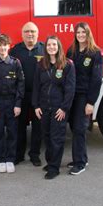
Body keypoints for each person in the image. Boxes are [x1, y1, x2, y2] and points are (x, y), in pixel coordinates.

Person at [32, 36, 75, 180]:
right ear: (46, 48)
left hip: (58, 109)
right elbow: (36, 87)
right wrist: (36, 105)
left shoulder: (67, 64)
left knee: (57, 138)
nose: (51, 47)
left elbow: (70, 89)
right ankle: (51, 162)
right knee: (47, 136)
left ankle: (54, 168)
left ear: (59, 47)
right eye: (49, 45)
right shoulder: (41, 65)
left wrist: (64, 108)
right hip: (44, 107)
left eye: (54, 45)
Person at [66, 22, 103, 175]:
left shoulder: (95, 53)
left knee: (80, 128)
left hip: (84, 96)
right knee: (74, 127)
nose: (80, 35)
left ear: (88, 34)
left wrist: (91, 102)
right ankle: (81, 157)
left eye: (83, 32)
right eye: (78, 32)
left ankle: (80, 163)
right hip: (71, 95)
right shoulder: (71, 51)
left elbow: (96, 79)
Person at [9, 21, 45, 166]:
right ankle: (19, 154)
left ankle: (35, 154)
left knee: (38, 126)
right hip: (21, 95)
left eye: (33, 31)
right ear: (22, 34)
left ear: (37, 33)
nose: (30, 34)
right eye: (27, 31)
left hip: (39, 95)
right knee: (20, 126)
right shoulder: (16, 51)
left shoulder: (44, 50)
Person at [0, 34, 25, 173]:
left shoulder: (15, 63)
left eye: (5, 45)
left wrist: (18, 104)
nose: (2, 48)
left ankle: (10, 159)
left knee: (12, 132)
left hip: (12, 102)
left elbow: (20, 84)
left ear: (9, 46)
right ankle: (1, 159)